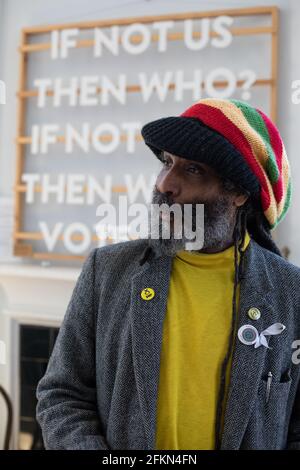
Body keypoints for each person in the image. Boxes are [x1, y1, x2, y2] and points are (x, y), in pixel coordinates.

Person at [36, 98, 300, 450]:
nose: (164, 184)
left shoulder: (291, 293)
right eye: (167, 163)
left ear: (237, 193)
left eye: (192, 170)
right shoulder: (107, 271)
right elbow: (62, 394)